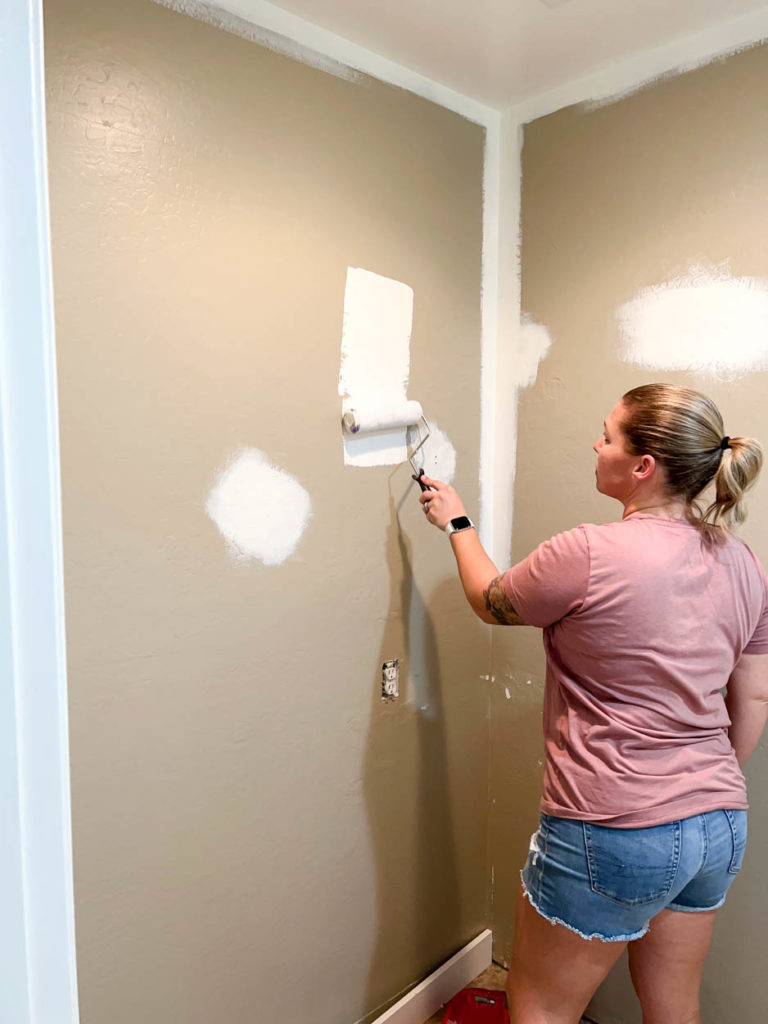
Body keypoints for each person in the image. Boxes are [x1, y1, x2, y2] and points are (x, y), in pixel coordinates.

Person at [418, 383, 768, 1024]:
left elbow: (489, 600)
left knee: (543, 1008)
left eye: (607, 434)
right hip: (718, 822)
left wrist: (457, 522)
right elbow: (754, 693)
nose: (596, 444)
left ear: (643, 467)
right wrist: (704, 787)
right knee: (674, 1004)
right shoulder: (743, 562)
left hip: (613, 825)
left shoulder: (587, 552)